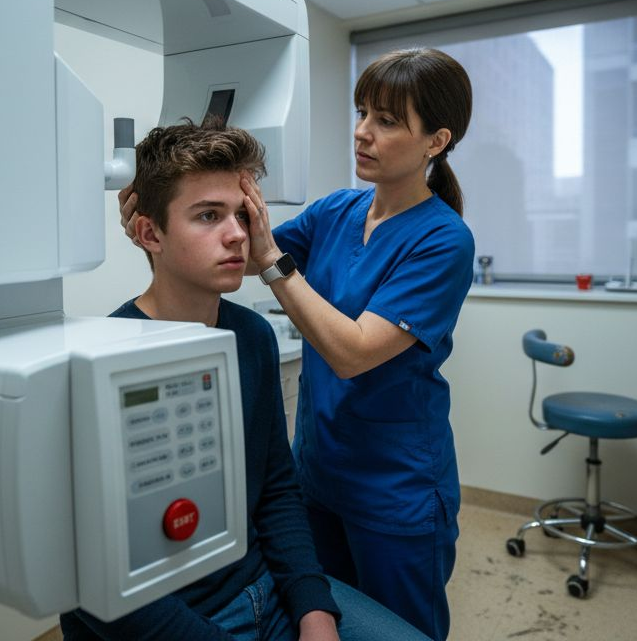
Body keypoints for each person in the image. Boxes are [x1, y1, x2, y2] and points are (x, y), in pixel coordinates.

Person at [63, 117, 429, 641]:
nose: (239, 235)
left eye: (242, 214)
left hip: (265, 589)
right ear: (149, 232)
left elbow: (276, 490)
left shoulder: (253, 337)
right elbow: (98, 588)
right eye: (209, 215)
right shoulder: (104, 358)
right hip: (177, 617)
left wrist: (315, 611)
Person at [237, 47, 475, 640]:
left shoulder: (445, 240)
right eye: (362, 111)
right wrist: (172, 216)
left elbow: (352, 352)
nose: (363, 132)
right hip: (318, 472)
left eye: (388, 120)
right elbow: (242, 253)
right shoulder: (336, 211)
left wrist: (273, 263)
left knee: (399, 632)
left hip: (395, 490)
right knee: (325, 620)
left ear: (436, 141)